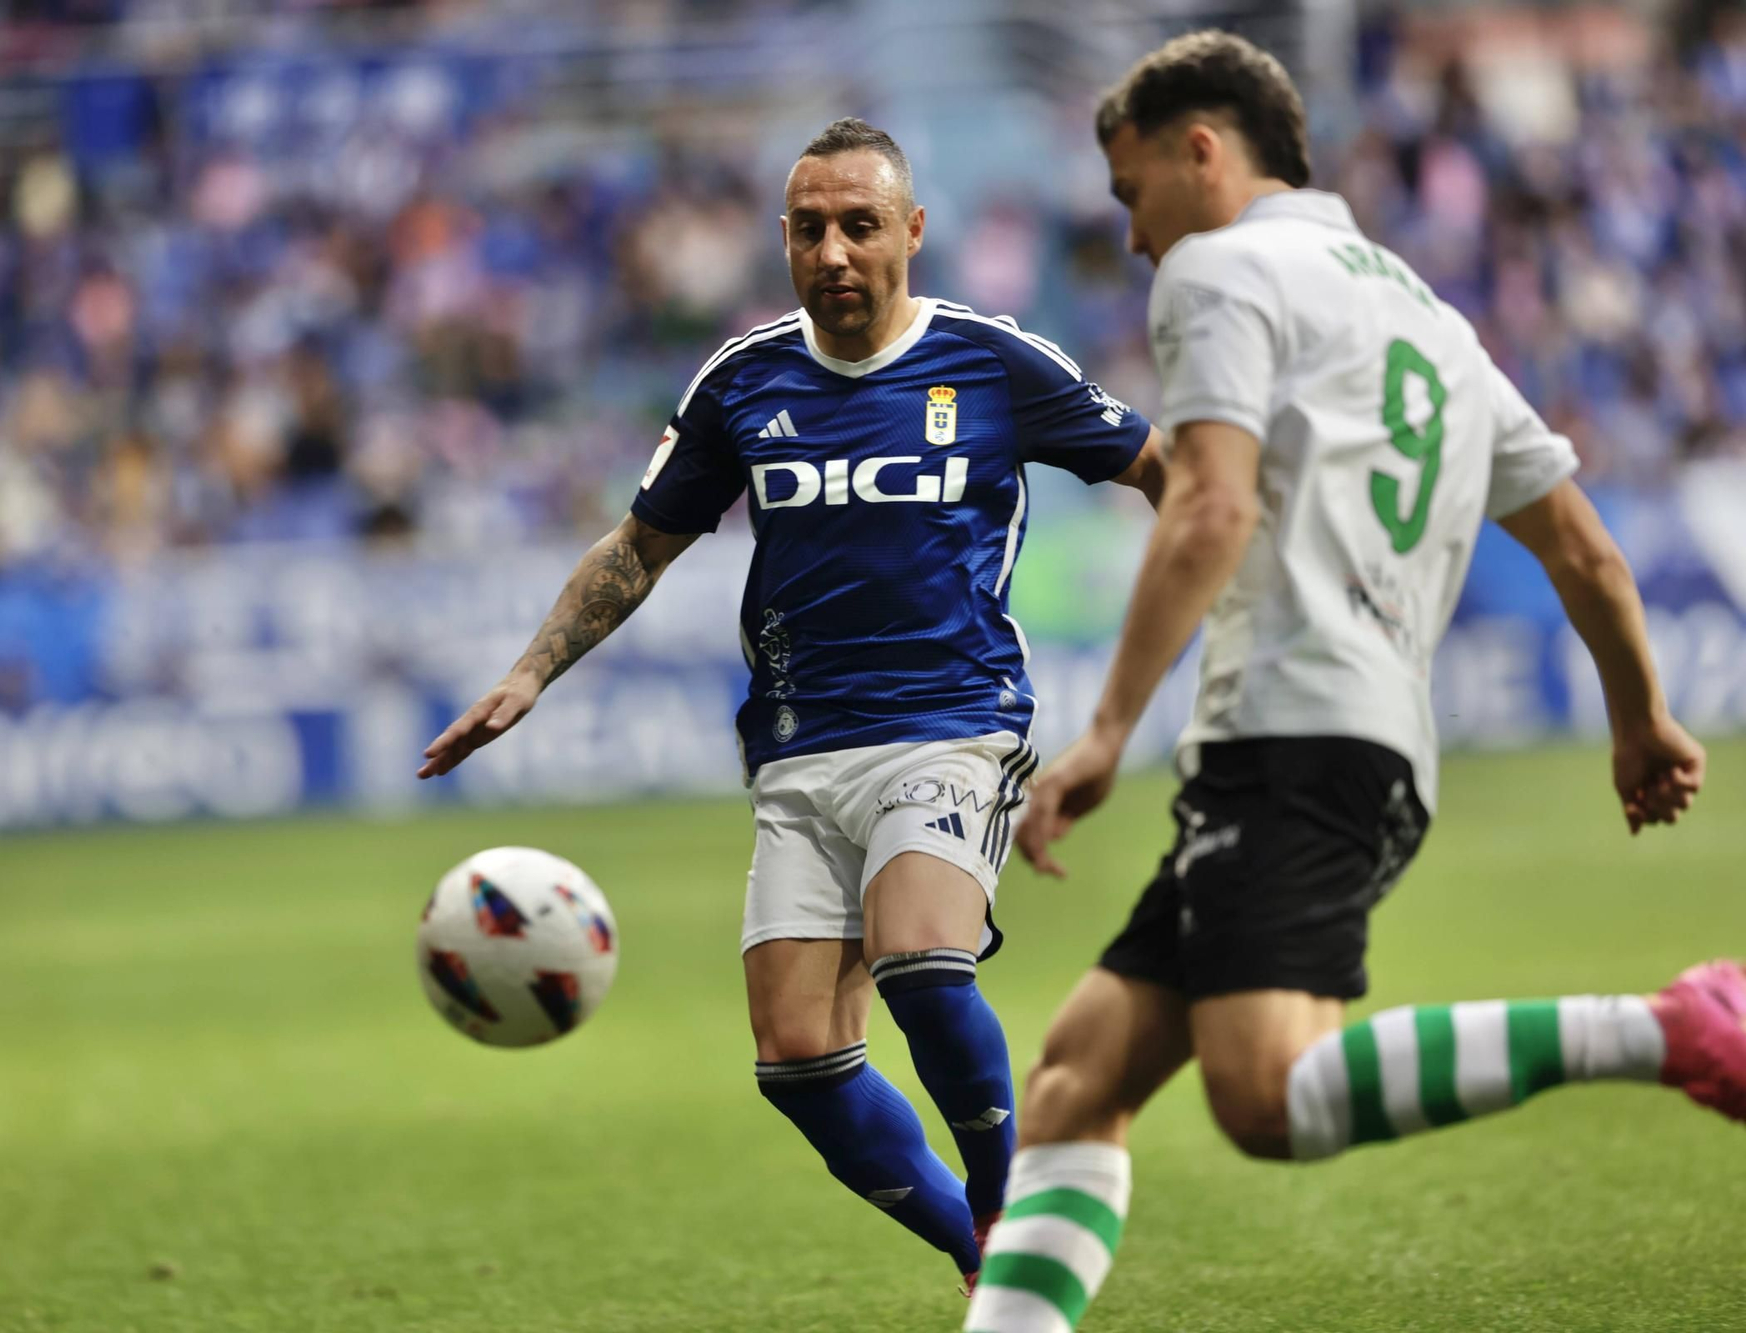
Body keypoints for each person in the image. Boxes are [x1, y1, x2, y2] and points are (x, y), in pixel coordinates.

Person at [965, 32, 1740, 1333]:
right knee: (1077, 1079)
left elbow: (1208, 506)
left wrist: (1103, 730)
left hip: (1291, 734)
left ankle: (1667, 1029)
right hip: (1368, 749)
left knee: (1265, 1095)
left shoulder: (1221, 271)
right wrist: (1640, 717)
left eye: (1131, 192)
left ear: (1199, 149)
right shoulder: (1427, 316)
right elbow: (1587, 550)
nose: (1134, 236)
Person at [419, 118, 1166, 1285]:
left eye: (859, 226)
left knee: (925, 965)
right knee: (798, 1064)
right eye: (809, 228)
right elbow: (639, 546)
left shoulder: (991, 363)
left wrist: (1245, 560)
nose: (833, 252)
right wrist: (528, 672)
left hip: (953, 720)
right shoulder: (742, 380)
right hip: (796, 749)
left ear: (910, 232)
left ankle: (1022, 1217)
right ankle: (981, 1257)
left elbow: (1163, 471)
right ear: (781, 238)